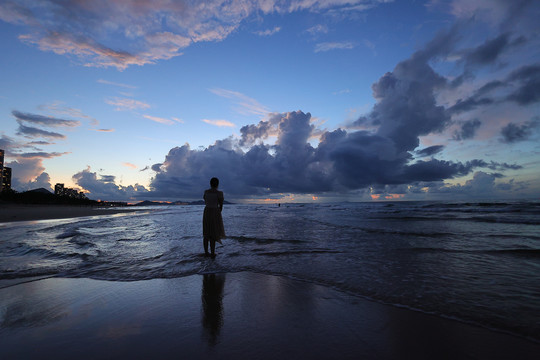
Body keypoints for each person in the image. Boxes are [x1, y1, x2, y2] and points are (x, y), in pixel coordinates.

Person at [203, 177, 225, 257]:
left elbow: (205, 201)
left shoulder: (206, 192)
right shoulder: (220, 193)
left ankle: (206, 252)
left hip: (207, 211)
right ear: (217, 184)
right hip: (215, 212)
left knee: (206, 232)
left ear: (210, 183)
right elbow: (221, 205)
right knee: (213, 233)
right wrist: (218, 213)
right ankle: (212, 253)